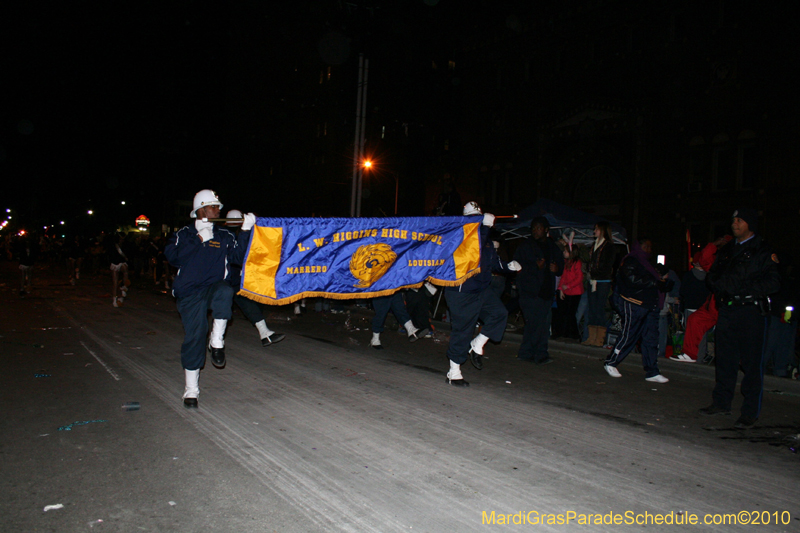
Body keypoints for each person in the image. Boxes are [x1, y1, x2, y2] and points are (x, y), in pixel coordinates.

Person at [165, 189, 255, 409]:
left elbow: (237, 258)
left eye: (218, 207)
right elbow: (173, 257)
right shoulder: (184, 234)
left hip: (214, 287)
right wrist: (198, 239)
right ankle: (191, 390)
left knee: (225, 291)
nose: (218, 210)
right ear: (201, 209)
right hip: (189, 292)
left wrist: (244, 231)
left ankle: (217, 342)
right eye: (214, 206)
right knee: (195, 337)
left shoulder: (224, 235)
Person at [700, 208, 780, 429]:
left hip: (750, 312)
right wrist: (719, 286)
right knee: (724, 360)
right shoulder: (727, 250)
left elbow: (773, 282)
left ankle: (749, 412)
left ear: (750, 224)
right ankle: (721, 403)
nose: (734, 224)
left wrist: (745, 288)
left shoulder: (762, 250)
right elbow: (713, 274)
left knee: (752, 364)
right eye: (733, 220)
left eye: (740, 220)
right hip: (728, 309)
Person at [443, 201, 520, 385]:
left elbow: (492, 262)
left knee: (499, 313)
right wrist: (485, 227)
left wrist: (507, 267)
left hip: (481, 289)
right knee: (463, 330)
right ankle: (454, 372)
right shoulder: (460, 235)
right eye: (473, 218)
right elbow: (472, 251)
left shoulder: (484, 238)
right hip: (462, 291)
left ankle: (477, 344)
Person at [603, 239, 672, 383]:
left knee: (650, 338)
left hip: (649, 305)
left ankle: (652, 371)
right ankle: (611, 362)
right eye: (645, 246)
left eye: (650, 246)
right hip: (634, 303)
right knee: (629, 334)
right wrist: (655, 283)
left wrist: (662, 284)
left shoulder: (648, 263)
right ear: (638, 246)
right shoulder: (631, 260)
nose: (648, 248)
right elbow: (631, 279)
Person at [225, 209, 286, 348]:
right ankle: (215, 341)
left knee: (249, 302)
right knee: (223, 310)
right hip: (227, 278)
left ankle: (264, 333)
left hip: (239, 276)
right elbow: (237, 256)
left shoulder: (241, 233)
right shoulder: (227, 235)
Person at [514, 216, 564, 363]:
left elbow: (560, 268)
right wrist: (534, 266)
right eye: (533, 228)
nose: (535, 231)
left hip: (546, 292)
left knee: (543, 325)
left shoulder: (553, 247)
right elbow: (517, 266)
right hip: (530, 292)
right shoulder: (526, 246)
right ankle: (528, 353)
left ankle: (540, 353)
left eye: (539, 228)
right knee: (533, 324)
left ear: (546, 230)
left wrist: (557, 269)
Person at [671, 238, 730, 363]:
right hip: (714, 303)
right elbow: (704, 259)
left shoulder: (738, 263)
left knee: (729, 336)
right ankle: (690, 353)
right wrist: (715, 244)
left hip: (731, 305)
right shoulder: (719, 264)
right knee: (695, 320)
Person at [583, 221, 616, 347]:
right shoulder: (594, 246)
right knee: (592, 309)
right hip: (593, 281)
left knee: (599, 309)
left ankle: (599, 338)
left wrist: (594, 273)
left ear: (602, 230)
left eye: (596, 229)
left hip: (602, 281)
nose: (594, 231)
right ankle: (592, 337)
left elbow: (606, 265)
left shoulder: (609, 246)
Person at [552, 242, 584, 340]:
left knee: (570, 314)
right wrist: (561, 288)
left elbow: (579, 278)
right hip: (567, 291)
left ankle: (573, 334)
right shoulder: (566, 263)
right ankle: (562, 332)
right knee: (563, 312)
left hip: (575, 292)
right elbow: (563, 276)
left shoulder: (577, 263)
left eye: (565, 251)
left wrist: (568, 286)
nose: (563, 252)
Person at [106, 233, 130, 308]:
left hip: (121, 262)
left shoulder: (125, 245)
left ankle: (123, 286)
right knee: (115, 283)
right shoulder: (113, 246)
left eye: (123, 239)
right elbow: (110, 255)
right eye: (121, 239)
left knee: (125, 270)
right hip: (114, 263)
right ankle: (114, 299)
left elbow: (127, 254)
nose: (122, 240)